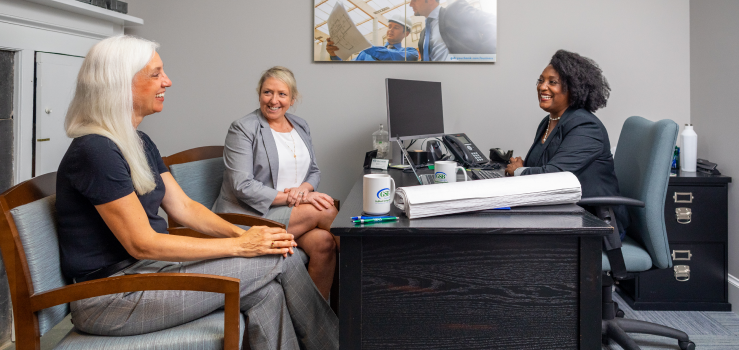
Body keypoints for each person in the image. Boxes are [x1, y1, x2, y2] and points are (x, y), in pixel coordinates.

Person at [56, 35, 337, 350]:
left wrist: (243, 235)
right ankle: (333, 345)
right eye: (155, 74)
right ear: (121, 83)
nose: (168, 81)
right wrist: (241, 245)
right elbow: (141, 243)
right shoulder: (96, 149)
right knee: (280, 259)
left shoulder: (138, 142)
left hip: (146, 276)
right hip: (111, 299)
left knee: (267, 291)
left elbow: (185, 208)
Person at [213, 66, 338, 300]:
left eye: (282, 94)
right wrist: (298, 198)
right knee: (327, 210)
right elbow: (242, 185)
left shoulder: (300, 126)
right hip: (250, 217)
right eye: (267, 92)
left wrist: (304, 189)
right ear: (259, 94)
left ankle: (312, 326)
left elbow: (313, 171)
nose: (274, 100)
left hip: (290, 213)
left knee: (324, 242)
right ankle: (372, 278)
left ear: (292, 98)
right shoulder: (243, 128)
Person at [504, 49, 629, 240]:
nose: (542, 87)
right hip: (564, 214)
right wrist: (521, 168)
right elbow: (542, 168)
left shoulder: (586, 126)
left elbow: (554, 176)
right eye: (540, 80)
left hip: (595, 224)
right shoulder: (548, 122)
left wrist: (518, 171)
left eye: (552, 82)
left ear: (573, 88)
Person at [411, 0, 496, 61]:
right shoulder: (423, 34)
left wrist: (485, 58)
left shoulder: (454, 10)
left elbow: (492, 20)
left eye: (414, 0)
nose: (410, 4)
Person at [326, 14, 419, 61]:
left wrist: (363, 44)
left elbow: (389, 56)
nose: (390, 30)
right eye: (389, 26)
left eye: (396, 27)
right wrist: (334, 55)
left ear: (406, 33)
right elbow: (346, 69)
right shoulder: (364, 54)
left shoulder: (412, 53)